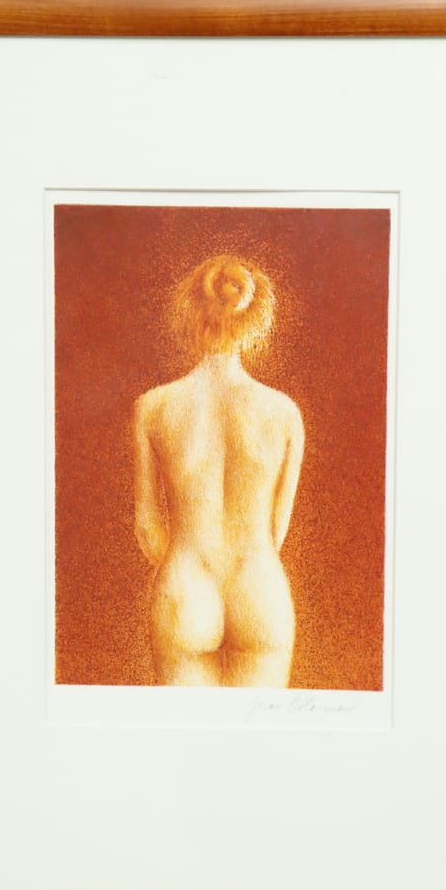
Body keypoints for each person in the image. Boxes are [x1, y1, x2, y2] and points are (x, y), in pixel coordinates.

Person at [132, 255, 304, 687]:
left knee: (186, 729)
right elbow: (276, 532)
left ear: (192, 311)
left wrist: (186, 567)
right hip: (259, 589)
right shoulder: (284, 414)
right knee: (258, 728)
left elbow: (148, 531)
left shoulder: (152, 407)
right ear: (253, 318)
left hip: (186, 586)